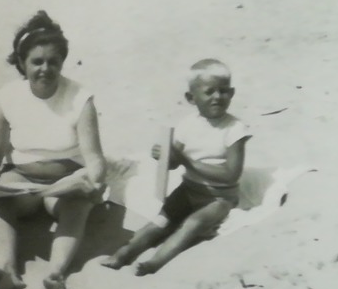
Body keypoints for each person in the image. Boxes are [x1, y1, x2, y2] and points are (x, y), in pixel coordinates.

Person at [0, 11, 106, 289]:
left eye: (53, 61)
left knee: (77, 204)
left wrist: (96, 180)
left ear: (62, 63)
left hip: (65, 180)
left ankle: (56, 272)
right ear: (22, 63)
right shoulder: (6, 99)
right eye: (36, 62)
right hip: (23, 181)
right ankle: (7, 271)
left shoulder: (80, 98)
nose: (45, 68)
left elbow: (94, 156)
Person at [101, 59, 250, 275]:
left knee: (193, 223)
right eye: (210, 92)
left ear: (232, 93)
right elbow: (171, 164)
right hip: (189, 190)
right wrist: (162, 156)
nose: (218, 96)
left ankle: (155, 262)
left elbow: (230, 175)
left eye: (224, 91)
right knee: (161, 220)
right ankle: (124, 253)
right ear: (191, 98)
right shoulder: (188, 124)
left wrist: (186, 160)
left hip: (219, 197)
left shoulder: (235, 129)